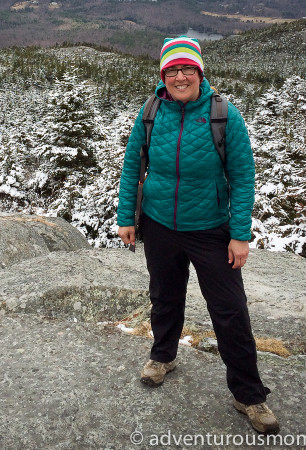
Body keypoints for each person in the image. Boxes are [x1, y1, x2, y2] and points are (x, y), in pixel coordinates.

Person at [116, 36, 279, 435]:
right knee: (164, 296)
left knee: (229, 311)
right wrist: (127, 217)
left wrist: (240, 234)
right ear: (163, 76)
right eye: (172, 70)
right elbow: (132, 166)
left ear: (200, 73)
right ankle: (163, 356)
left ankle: (249, 394)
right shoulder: (151, 111)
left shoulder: (224, 115)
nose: (180, 76)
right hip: (159, 224)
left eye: (188, 69)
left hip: (210, 228)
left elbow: (242, 177)